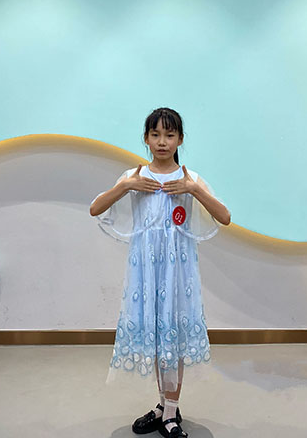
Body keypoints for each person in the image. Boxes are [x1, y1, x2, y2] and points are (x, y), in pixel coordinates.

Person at [90, 107, 230, 438]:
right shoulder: (134, 176)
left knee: (173, 337)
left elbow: (224, 217)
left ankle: (169, 413)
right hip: (145, 274)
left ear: (180, 139)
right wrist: (127, 186)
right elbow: (96, 208)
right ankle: (166, 406)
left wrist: (193, 190)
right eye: (156, 134)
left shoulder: (190, 179)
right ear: (146, 138)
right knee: (156, 338)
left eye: (169, 135)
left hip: (177, 275)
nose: (162, 141)